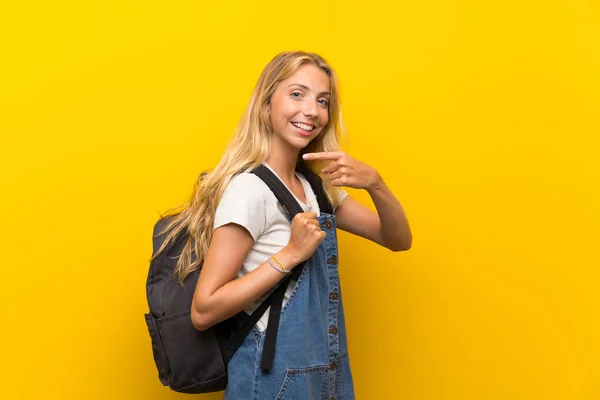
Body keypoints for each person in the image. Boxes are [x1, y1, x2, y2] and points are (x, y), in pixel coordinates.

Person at [157, 51, 412, 399]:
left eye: (322, 101)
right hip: (272, 379)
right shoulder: (249, 190)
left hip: (325, 372)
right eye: (297, 94)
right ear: (266, 106)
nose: (312, 110)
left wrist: (376, 183)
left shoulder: (317, 188)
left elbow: (397, 239)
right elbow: (204, 310)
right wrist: (290, 254)